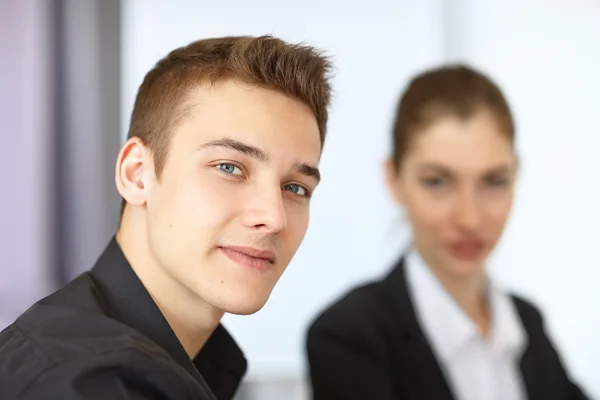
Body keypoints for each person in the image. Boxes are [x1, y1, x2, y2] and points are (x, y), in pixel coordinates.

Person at [0, 35, 332, 400]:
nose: (274, 217)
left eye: (296, 188)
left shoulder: (178, 366)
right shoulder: (83, 384)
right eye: (229, 167)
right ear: (136, 174)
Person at [305, 65, 589, 400]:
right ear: (393, 179)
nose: (469, 219)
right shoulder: (349, 337)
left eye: (494, 181)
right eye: (437, 182)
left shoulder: (527, 323)